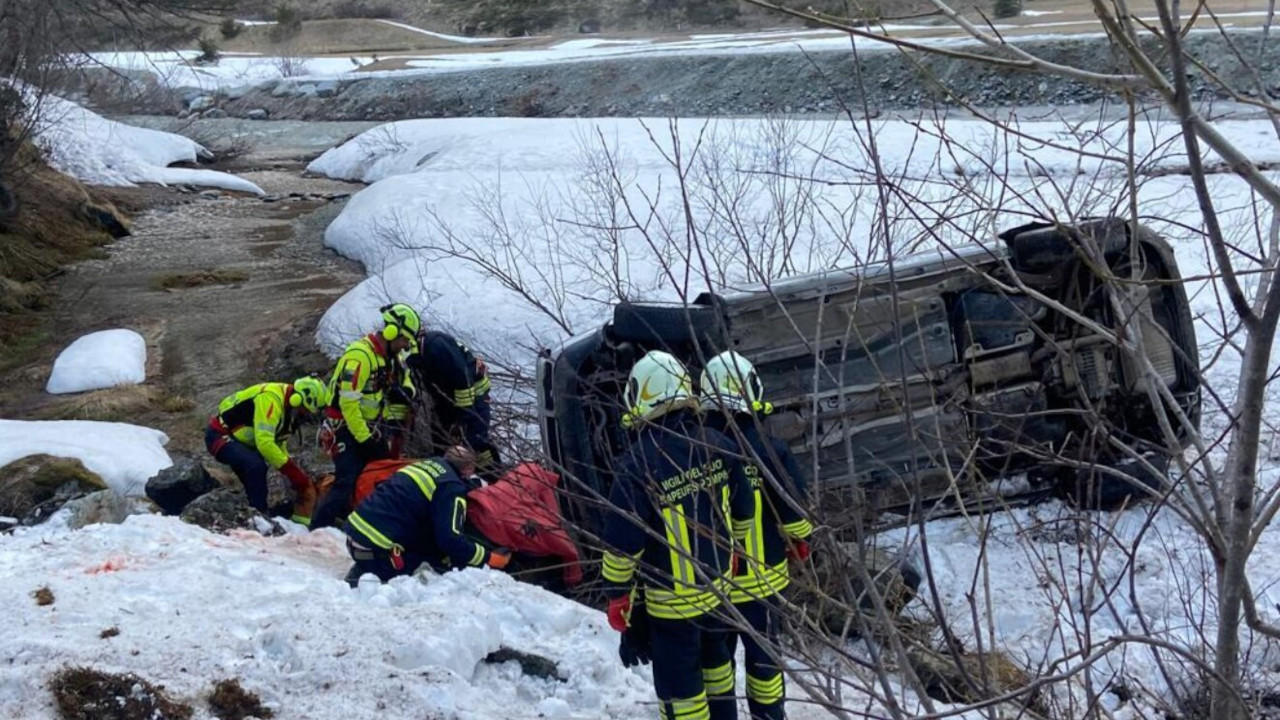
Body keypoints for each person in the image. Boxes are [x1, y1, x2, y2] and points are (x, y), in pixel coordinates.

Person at [601, 350, 756, 720]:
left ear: (642, 397)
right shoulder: (720, 445)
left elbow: (624, 545)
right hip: (719, 593)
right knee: (719, 675)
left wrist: (617, 595)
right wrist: (734, 548)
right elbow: (744, 510)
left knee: (681, 693)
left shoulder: (637, 464)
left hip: (671, 608)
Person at [700, 351, 814, 720]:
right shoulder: (771, 449)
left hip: (713, 582)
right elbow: (795, 513)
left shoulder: (696, 451)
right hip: (762, 581)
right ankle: (769, 716)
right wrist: (801, 542)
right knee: (764, 657)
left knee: (716, 660)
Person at [311, 303, 421, 530]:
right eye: (404, 340)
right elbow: (348, 404)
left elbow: (406, 378)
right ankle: (318, 528)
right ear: (391, 333)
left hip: (370, 426)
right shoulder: (359, 357)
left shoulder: (390, 357)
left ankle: (363, 520)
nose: (405, 346)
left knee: (380, 473)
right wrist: (364, 438)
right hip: (345, 427)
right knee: (347, 480)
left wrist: (405, 392)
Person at [341, 446, 511, 586]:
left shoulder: (424, 465)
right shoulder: (451, 487)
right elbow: (450, 539)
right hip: (379, 552)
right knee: (437, 560)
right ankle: (375, 575)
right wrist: (488, 558)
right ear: (468, 470)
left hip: (354, 537)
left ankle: (364, 571)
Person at [206, 377, 329, 523]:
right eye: (305, 411)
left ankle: (255, 512)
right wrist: (291, 471)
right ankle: (259, 518)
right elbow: (265, 442)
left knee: (256, 474)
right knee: (255, 466)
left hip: (242, 440)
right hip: (219, 435)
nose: (304, 416)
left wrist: (292, 470)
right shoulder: (270, 400)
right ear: (297, 400)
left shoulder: (287, 407)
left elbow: (278, 443)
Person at [405, 328, 500, 477]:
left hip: (474, 397)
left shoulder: (437, 346)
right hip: (450, 400)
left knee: (475, 441)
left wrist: (463, 420)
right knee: (441, 438)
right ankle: (449, 479)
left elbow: (463, 382)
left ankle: (492, 477)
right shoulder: (422, 354)